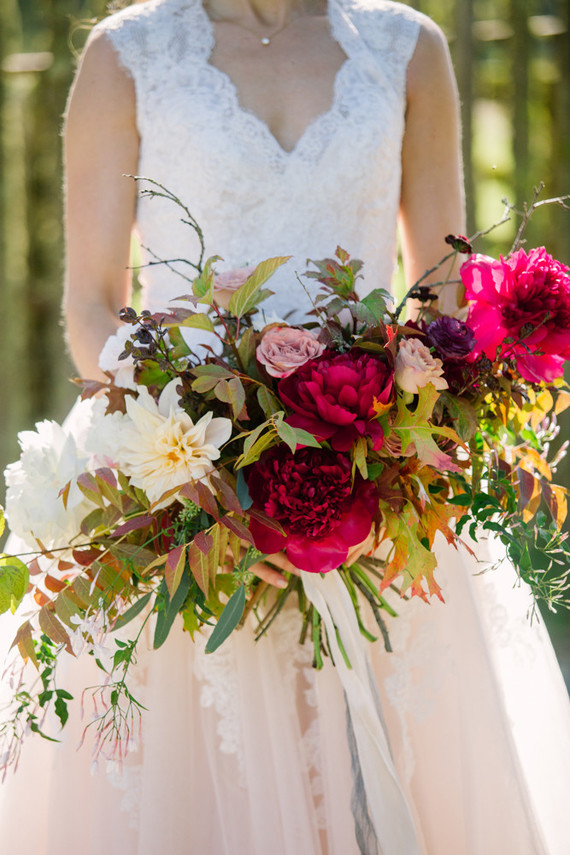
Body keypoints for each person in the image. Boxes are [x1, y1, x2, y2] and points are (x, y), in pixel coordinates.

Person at [1, 0, 569, 852]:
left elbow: (440, 292)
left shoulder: (407, 50)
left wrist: (393, 464)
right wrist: (197, 489)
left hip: (377, 484)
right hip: (181, 492)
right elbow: (92, 299)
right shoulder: (129, 58)